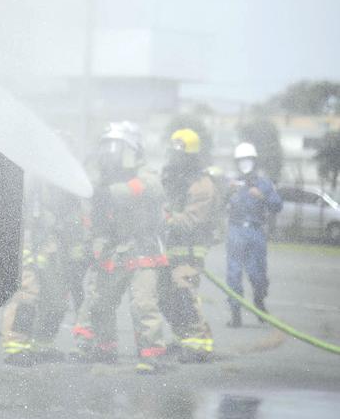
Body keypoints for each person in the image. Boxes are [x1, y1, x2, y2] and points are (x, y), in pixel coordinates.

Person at [72, 122, 169, 374]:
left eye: (117, 147)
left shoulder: (145, 173)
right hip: (111, 249)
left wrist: (111, 192)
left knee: (143, 304)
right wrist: (92, 243)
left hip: (142, 248)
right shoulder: (101, 178)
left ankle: (151, 355)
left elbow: (150, 188)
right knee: (100, 301)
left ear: (132, 149)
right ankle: (104, 348)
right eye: (108, 146)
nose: (111, 152)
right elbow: (92, 213)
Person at [1, 177, 85, 365]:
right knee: (26, 297)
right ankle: (16, 347)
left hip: (54, 247)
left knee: (56, 301)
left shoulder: (64, 184)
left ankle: (42, 344)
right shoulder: (30, 180)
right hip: (29, 242)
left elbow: (73, 216)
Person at [160, 128, 218, 362]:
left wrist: (163, 219)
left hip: (189, 252)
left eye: (180, 156)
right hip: (169, 250)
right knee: (164, 296)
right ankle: (183, 337)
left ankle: (199, 344)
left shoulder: (202, 186)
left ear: (191, 157)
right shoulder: (170, 180)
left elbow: (190, 221)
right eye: (172, 154)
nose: (174, 160)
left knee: (184, 294)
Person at [225, 142, 283, 327]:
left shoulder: (264, 184)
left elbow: (277, 205)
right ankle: (235, 313)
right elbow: (218, 203)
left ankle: (259, 302)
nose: (244, 163)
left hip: (255, 231)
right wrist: (227, 192)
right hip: (235, 230)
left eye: (248, 159)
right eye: (241, 160)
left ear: (254, 161)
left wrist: (262, 196)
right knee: (233, 273)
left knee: (258, 274)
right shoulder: (232, 183)